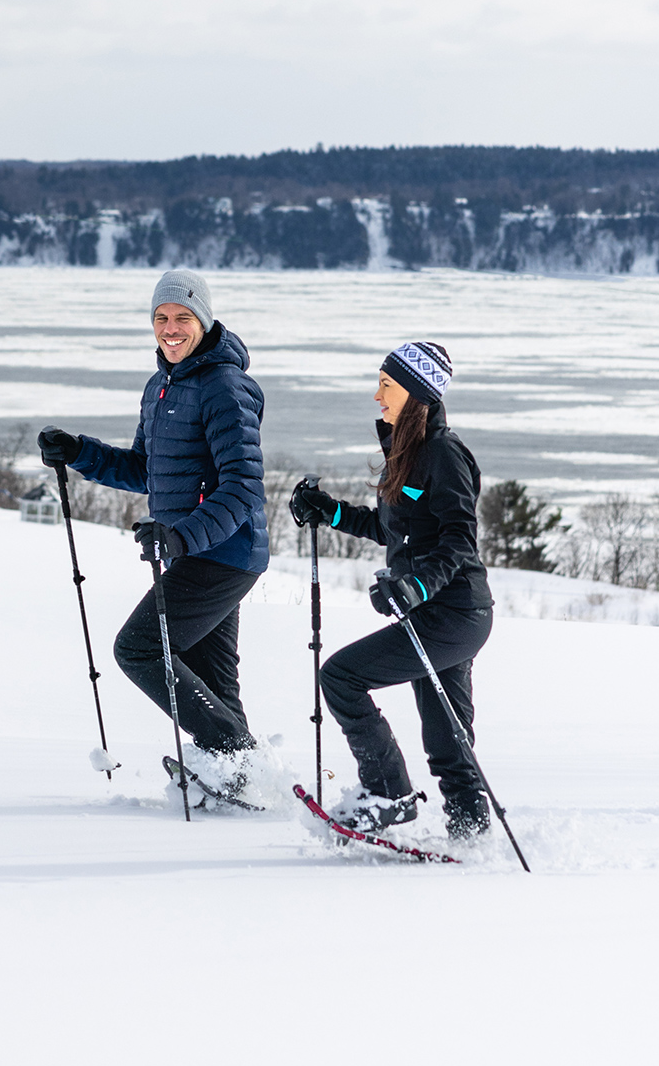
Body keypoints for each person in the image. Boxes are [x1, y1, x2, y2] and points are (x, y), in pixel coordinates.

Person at [38, 269, 268, 758]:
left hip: (224, 553)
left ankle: (231, 749)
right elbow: (146, 470)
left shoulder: (225, 387)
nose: (171, 329)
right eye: (161, 318)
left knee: (138, 648)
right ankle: (243, 773)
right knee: (213, 680)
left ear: (204, 321)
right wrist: (79, 451)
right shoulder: (160, 386)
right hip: (195, 551)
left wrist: (180, 537)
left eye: (183, 317)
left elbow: (243, 487)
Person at [290, 342, 494, 839]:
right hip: (433, 612)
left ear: (416, 393)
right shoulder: (409, 451)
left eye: (387, 385)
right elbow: (395, 528)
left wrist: (417, 585)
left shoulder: (443, 453)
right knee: (445, 736)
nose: (377, 395)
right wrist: (332, 512)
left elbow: (458, 539)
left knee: (341, 676)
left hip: (454, 614)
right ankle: (471, 834)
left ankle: (389, 794)